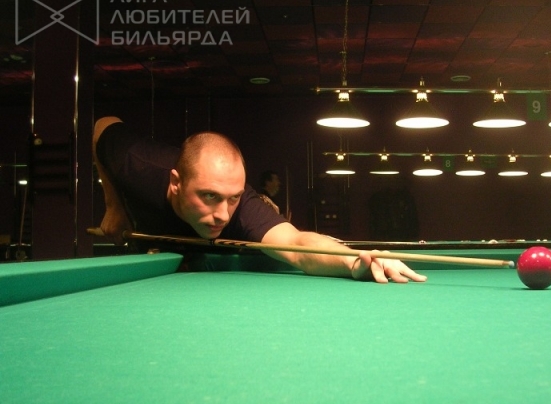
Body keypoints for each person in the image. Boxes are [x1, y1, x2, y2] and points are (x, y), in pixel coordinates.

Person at [92, 117, 426, 284]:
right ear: (176, 183)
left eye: (233, 198)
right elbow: (102, 125)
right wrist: (113, 206)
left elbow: (296, 244)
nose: (223, 214)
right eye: (209, 196)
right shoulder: (138, 164)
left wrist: (353, 261)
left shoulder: (244, 208)